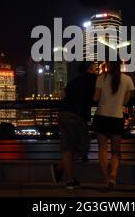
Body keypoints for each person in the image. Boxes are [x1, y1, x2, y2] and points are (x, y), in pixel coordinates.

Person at [51, 61, 97, 189]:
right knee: (84, 146)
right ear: (89, 69)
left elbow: (65, 95)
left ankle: (69, 179)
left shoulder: (73, 81)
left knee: (68, 147)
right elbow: (97, 97)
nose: (96, 69)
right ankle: (60, 168)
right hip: (75, 115)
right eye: (94, 67)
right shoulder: (93, 79)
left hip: (62, 114)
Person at [93, 59, 135, 189]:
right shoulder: (128, 80)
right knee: (116, 151)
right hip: (117, 117)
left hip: (101, 116)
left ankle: (106, 179)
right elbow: (126, 101)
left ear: (109, 65)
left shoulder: (101, 78)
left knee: (102, 149)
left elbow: (95, 98)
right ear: (120, 65)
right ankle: (113, 176)